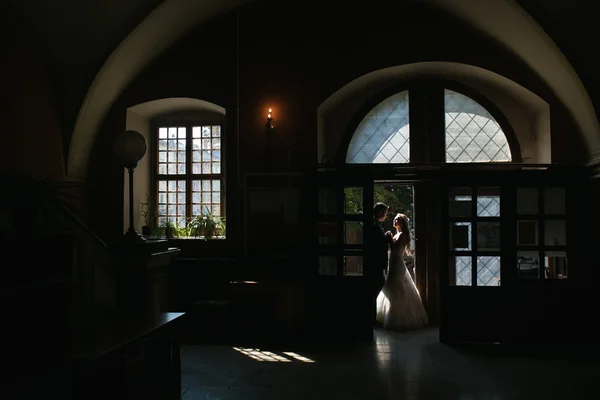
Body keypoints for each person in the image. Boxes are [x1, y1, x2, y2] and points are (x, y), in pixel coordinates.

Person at [376, 213, 428, 331]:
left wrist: (389, 239)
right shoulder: (397, 234)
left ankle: (397, 317)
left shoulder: (403, 235)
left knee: (394, 286)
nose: (395, 221)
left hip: (397, 263)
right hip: (392, 262)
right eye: (395, 219)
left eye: (397, 220)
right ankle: (387, 314)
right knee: (391, 286)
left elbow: (394, 249)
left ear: (402, 223)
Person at [365, 202, 390, 326]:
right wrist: (386, 239)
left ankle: (374, 317)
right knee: (376, 288)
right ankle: (372, 318)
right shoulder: (374, 226)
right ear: (380, 212)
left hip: (376, 263)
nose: (385, 216)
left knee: (376, 288)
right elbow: (377, 245)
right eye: (385, 213)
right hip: (375, 263)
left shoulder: (375, 225)